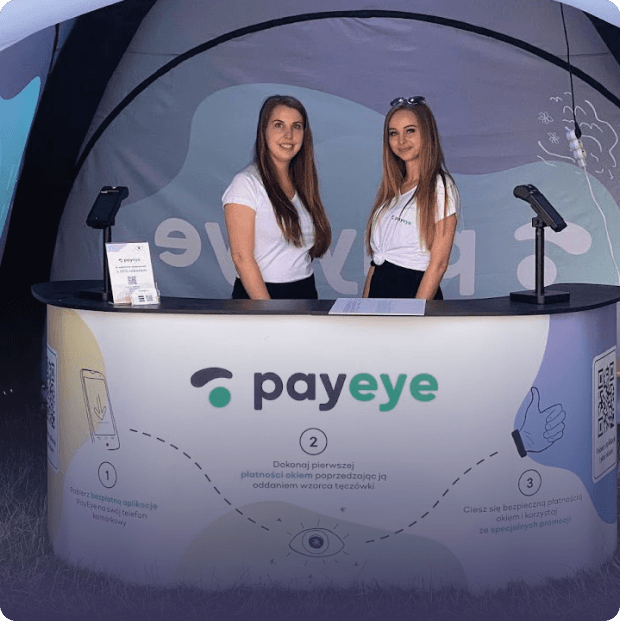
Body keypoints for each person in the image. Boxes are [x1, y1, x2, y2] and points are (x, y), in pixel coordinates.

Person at [222, 95, 331, 299]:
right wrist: (268, 311)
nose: (289, 135)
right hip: (261, 298)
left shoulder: (303, 184)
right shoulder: (246, 184)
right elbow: (241, 258)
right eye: (279, 125)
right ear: (263, 131)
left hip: (305, 292)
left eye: (297, 126)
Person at [363, 96, 458, 300]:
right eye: (393, 133)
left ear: (427, 133)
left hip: (413, 293)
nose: (401, 141)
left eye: (410, 131)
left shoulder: (440, 186)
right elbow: (377, 261)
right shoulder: (393, 189)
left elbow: (439, 264)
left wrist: (415, 311)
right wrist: (364, 307)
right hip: (380, 290)